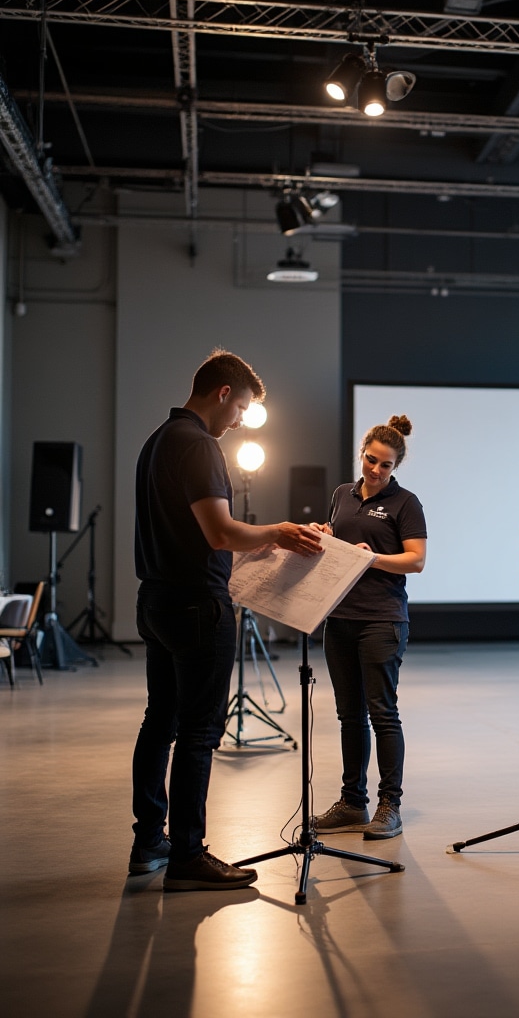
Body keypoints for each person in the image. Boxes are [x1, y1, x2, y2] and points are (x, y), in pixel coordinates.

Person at [131, 350, 324, 891]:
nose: (239, 421)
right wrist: (278, 532)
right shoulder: (198, 445)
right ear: (222, 394)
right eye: (240, 408)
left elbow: (195, 531)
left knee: (160, 722)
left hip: (156, 601)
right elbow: (219, 533)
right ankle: (188, 856)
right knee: (198, 732)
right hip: (197, 606)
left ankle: (149, 842)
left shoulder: (157, 441)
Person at [311, 416, 427, 840]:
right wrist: (324, 535)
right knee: (349, 715)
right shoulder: (342, 494)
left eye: (385, 465)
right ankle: (352, 803)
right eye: (371, 460)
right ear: (361, 454)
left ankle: (389, 805)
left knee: (382, 713)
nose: (376, 470)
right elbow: (338, 540)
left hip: (382, 620)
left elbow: (416, 560)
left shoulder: (406, 503)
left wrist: (372, 558)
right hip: (339, 617)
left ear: (396, 467)